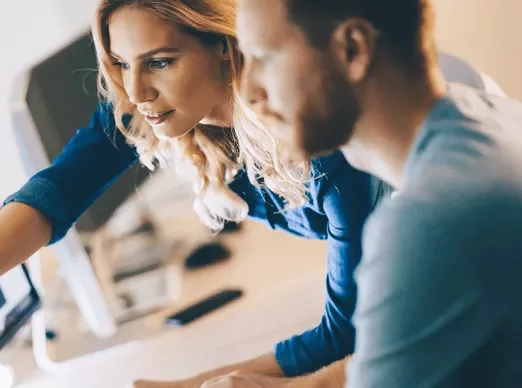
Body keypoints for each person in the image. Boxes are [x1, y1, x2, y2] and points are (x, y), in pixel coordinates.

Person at [0, 1, 377, 387]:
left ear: (225, 48)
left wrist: (193, 385)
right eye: (119, 64)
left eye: (160, 62)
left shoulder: (321, 140)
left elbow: (349, 335)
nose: (135, 92)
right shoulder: (156, 109)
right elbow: (57, 190)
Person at [205, 0, 522, 386]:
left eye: (264, 57)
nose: (250, 92)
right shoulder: (489, 114)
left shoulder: (427, 223)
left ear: (352, 49)